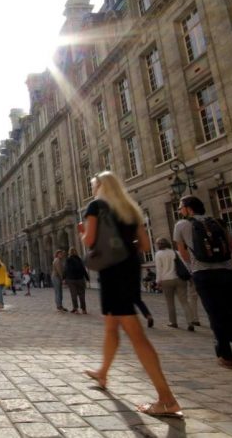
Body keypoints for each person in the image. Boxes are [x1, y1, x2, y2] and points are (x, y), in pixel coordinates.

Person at [79, 171, 181, 418]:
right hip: (129, 269)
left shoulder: (96, 205)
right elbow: (145, 245)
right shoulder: (131, 208)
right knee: (111, 327)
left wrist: (82, 231)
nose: (92, 189)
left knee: (136, 335)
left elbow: (89, 240)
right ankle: (103, 372)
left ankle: (166, 399)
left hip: (112, 273)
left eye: (93, 185)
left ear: (101, 186)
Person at [174, 195, 232, 369]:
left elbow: (181, 251)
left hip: (203, 274)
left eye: (180, 207)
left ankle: (226, 357)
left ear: (188, 208)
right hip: (227, 272)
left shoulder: (181, 225)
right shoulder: (217, 222)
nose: (180, 211)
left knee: (216, 314)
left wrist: (192, 268)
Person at [154, 237, 193, 331]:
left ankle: (173, 322)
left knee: (170, 303)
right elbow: (184, 265)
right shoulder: (176, 252)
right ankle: (190, 322)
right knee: (185, 302)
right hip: (179, 279)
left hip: (166, 280)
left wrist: (158, 282)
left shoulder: (158, 254)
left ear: (158, 245)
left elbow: (159, 269)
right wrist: (189, 277)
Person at [64, 247, 89, 314]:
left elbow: (66, 269)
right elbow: (83, 269)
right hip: (80, 278)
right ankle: (84, 309)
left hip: (71, 279)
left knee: (73, 295)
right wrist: (87, 277)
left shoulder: (68, 260)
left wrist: (64, 278)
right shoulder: (79, 259)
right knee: (82, 294)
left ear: (69, 252)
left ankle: (76, 309)